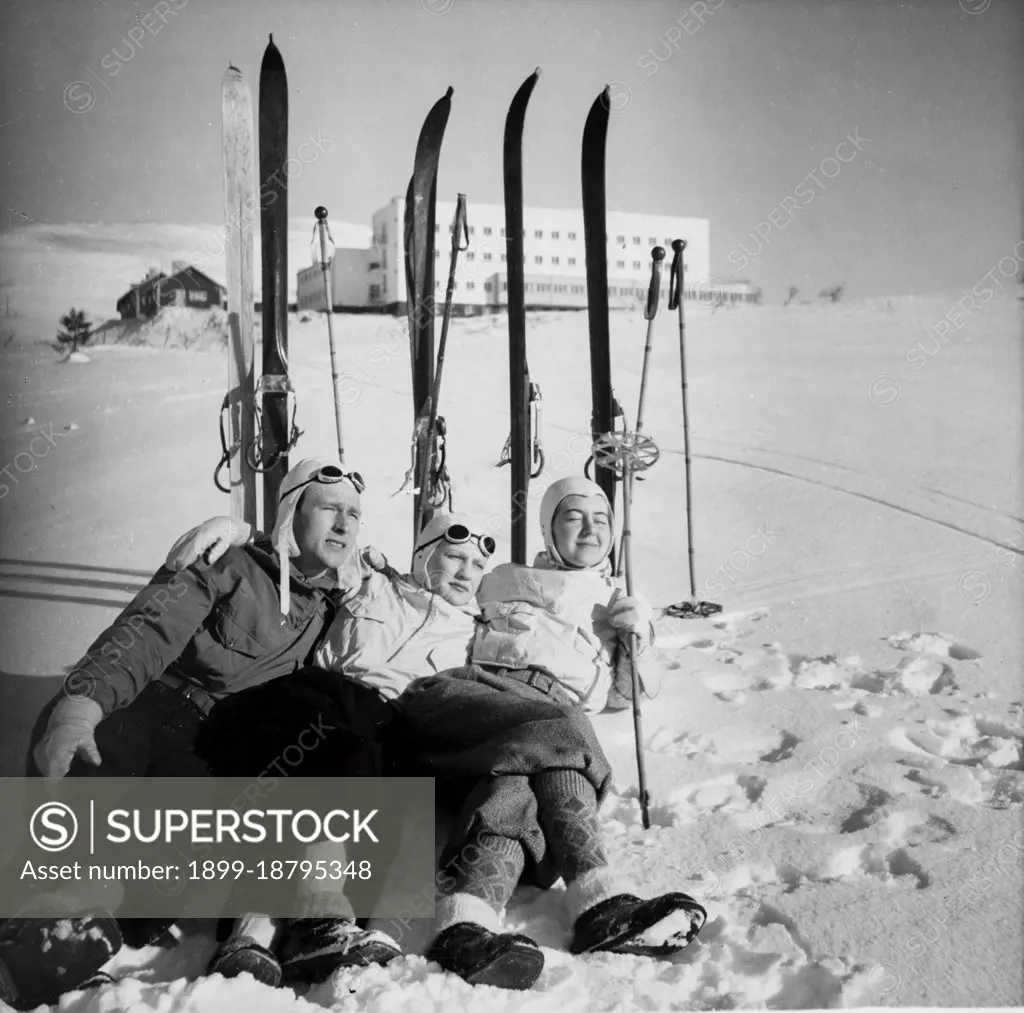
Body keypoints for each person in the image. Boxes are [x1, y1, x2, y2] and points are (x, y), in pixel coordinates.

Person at [0, 458, 377, 1010]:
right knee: (94, 792)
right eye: (330, 509)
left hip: (202, 741)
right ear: (292, 511)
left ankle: (75, 939)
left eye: (355, 515)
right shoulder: (229, 563)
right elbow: (150, 631)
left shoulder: (333, 606)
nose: (345, 525)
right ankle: (34, 937)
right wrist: (83, 703)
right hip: (140, 703)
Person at [400, 477, 707, 990]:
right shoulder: (498, 578)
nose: (590, 528)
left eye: (601, 519)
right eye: (573, 516)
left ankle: (464, 927)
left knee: (516, 790)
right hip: (483, 694)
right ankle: (598, 895)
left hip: (537, 731)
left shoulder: (615, 602)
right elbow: (432, 582)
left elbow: (629, 694)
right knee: (564, 728)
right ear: (548, 527)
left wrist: (639, 637)